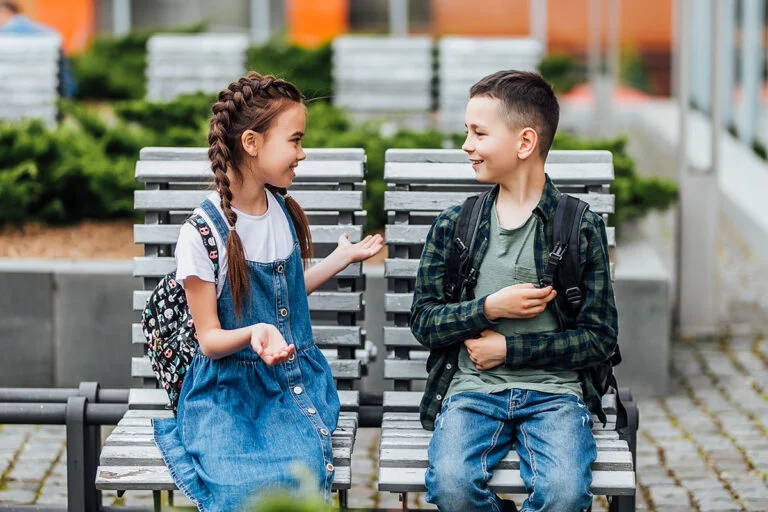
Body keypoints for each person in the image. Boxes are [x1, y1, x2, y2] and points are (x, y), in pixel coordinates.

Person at [153, 72, 384, 512]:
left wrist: (341, 260)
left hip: (291, 386)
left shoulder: (280, 209)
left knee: (296, 479)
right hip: (228, 395)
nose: (302, 153)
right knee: (239, 489)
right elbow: (209, 339)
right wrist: (254, 332)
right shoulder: (203, 234)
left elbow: (288, 291)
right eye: (294, 140)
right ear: (252, 143)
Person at [410, 70, 618, 512]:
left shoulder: (578, 227)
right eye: (467, 131)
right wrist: (487, 308)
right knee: (451, 486)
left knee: (564, 495)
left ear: (524, 143)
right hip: (472, 392)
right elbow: (424, 321)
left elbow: (600, 338)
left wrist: (510, 350)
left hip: (556, 396)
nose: (466, 145)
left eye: (478, 133)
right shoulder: (456, 225)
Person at [0, 1, 77, 98]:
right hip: (46, 89)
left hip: (17, 94)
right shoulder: (47, 32)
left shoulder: (5, 33)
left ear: (5, 12)